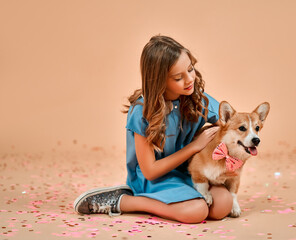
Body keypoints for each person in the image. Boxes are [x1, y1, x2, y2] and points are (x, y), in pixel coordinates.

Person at [73, 35, 234, 223]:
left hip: (189, 172)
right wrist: (195, 147)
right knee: (196, 211)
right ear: (159, 81)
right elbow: (150, 171)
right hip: (154, 181)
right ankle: (126, 200)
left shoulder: (196, 98)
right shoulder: (142, 111)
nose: (190, 79)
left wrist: (227, 156)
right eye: (178, 77)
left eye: (190, 69)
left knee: (223, 204)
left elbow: (227, 127)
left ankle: (187, 196)